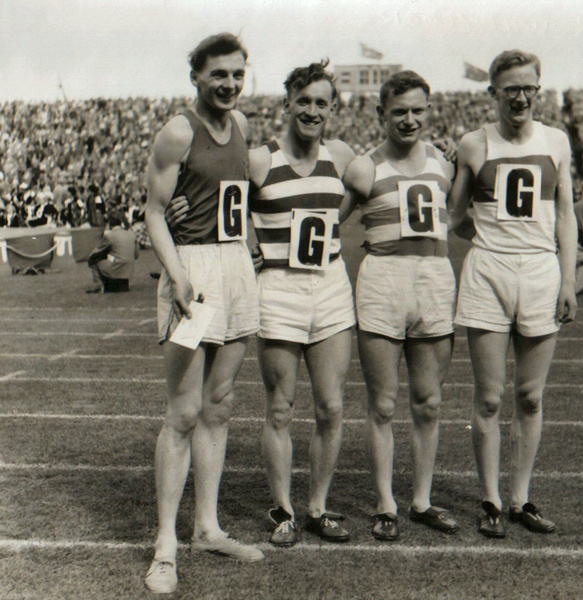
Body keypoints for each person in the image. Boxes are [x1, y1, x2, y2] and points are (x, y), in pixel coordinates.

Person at [143, 33, 263, 595]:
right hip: (192, 269)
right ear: (196, 76)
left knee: (220, 405)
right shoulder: (178, 129)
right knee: (184, 410)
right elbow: (154, 210)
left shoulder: (240, 127)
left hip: (236, 267)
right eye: (219, 74)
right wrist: (177, 273)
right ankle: (166, 543)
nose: (230, 84)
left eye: (238, 74)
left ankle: (207, 527)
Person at [448, 50, 578, 538]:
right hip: (488, 273)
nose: (520, 97)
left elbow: (566, 216)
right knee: (488, 397)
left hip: (543, 272)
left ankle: (521, 497)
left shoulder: (557, 141)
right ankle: (490, 499)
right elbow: (455, 216)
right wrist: (490, 242)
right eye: (510, 89)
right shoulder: (474, 143)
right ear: (493, 93)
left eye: (529, 88)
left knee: (529, 394)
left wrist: (567, 279)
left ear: (538, 90)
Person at [342, 71, 459, 541]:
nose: (409, 120)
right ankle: (386, 502)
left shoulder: (445, 164)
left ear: (428, 111)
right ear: (381, 115)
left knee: (428, 402)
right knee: (384, 403)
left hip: (433, 277)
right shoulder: (364, 167)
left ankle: (423, 499)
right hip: (384, 279)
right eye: (399, 112)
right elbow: (327, 216)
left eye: (417, 110)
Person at [248, 61, 356, 547]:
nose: (312, 111)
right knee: (281, 407)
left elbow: (362, 194)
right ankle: (283, 510)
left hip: (330, 284)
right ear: (287, 104)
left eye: (321, 103)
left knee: (331, 407)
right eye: (304, 101)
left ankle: (318, 506)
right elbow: (219, 198)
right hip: (279, 288)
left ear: (332, 109)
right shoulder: (259, 161)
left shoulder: (342, 155)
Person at [85, 209, 138, 293]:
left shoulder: (110, 236)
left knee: (93, 259)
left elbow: (95, 252)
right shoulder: (131, 234)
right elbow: (136, 255)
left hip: (116, 267)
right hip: (128, 270)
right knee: (110, 256)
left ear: (109, 223)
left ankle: (98, 285)